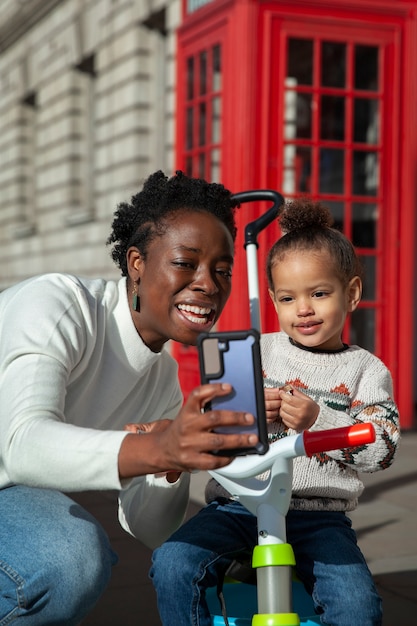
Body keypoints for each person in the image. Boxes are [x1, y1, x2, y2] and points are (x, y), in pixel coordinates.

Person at [0, 170, 260, 625]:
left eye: (223, 271)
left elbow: (151, 528)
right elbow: (22, 443)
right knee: (68, 557)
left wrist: (171, 466)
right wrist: (158, 445)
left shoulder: (162, 382)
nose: (209, 284)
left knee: (75, 556)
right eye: (186, 262)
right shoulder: (60, 304)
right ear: (137, 262)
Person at [150, 198, 401, 626]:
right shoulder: (258, 351)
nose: (303, 309)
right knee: (172, 563)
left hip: (318, 515)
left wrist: (319, 418)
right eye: (288, 298)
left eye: (319, 294)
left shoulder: (365, 369)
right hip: (239, 505)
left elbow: (383, 448)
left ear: (352, 293)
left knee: (357, 606)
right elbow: (213, 423)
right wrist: (242, 409)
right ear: (273, 300)